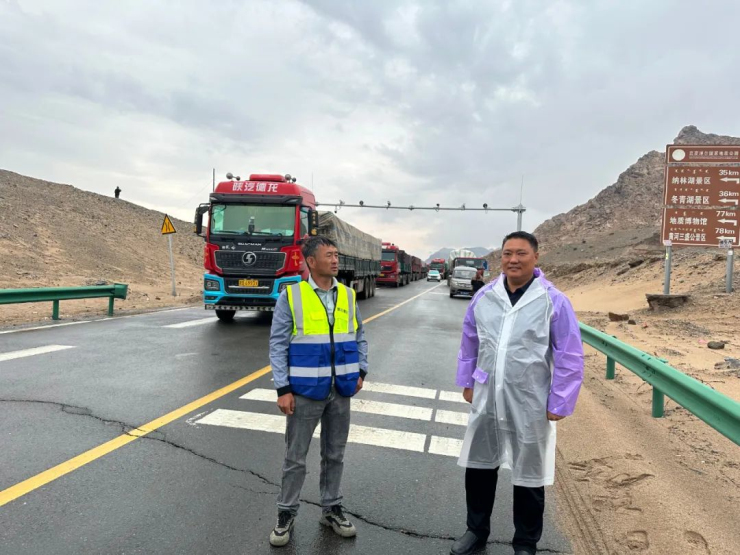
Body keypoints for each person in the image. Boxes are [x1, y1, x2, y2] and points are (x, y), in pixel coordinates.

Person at [451, 231, 584, 555]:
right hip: (487, 396)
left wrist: (560, 401)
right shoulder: (485, 296)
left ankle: (525, 543)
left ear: (535, 257)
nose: (513, 260)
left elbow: (569, 354)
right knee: (479, 466)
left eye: (521, 253)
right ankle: (476, 530)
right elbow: (470, 340)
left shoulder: (553, 301)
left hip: (529, 400)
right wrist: (468, 381)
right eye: (507, 253)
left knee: (529, 473)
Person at [268, 235, 369, 547]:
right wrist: (283, 388)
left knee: (335, 454)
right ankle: (286, 513)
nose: (335, 260)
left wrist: (361, 370)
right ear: (311, 261)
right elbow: (278, 344)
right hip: (304, 391)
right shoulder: (292, 296)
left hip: (341, 389)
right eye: (329, 255)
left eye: (337, 254)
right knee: (295, 457)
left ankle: (331, 508)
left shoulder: (348, 294)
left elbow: (359, 334)